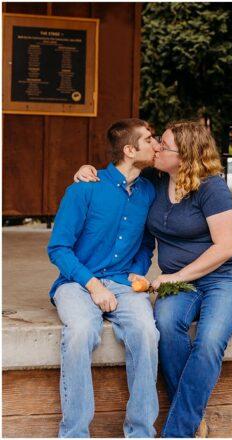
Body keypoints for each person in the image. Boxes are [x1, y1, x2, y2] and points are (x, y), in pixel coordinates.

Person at [75, 120, 232, 437]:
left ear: (184, 156)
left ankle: (177, 431)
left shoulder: (211, 187)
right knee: (166, 327)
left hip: (226, 278)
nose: (157, 146)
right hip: (180, 284)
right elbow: (118, 176)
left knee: (210, 340)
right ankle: (191, 416)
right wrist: (86, 169)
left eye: (164, 144)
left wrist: (174, 277)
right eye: (157, 140)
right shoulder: (156, 181)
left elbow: (225, 247)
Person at [48, 118, 161, 438]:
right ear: (129, 150)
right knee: (81, 331)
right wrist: (93, 285)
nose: (155, 145)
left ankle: (140, 432)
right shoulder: (84, 188)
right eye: (149, 140)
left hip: (124, 284)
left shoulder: (149, 191)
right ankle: (74, 433)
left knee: (146, 333)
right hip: (78, 283)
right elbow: (58, 248)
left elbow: (145, 243)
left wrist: (137, 272)